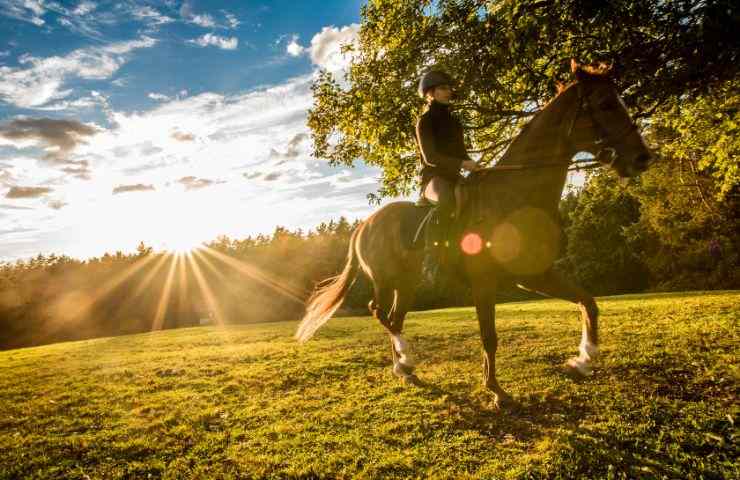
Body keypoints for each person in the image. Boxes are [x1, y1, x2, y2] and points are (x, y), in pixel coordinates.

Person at [415, 70, 479, 262]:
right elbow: (430, 157)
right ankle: (431, 259)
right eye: (443, 88)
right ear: (430, 93)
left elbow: (461, 153)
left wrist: (474, 166)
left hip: (454, 178)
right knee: (446, 201)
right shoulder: (424, 122)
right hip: (432, 180)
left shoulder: (454, 123)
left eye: (449, 88)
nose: (448, 91)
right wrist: (461, 163)